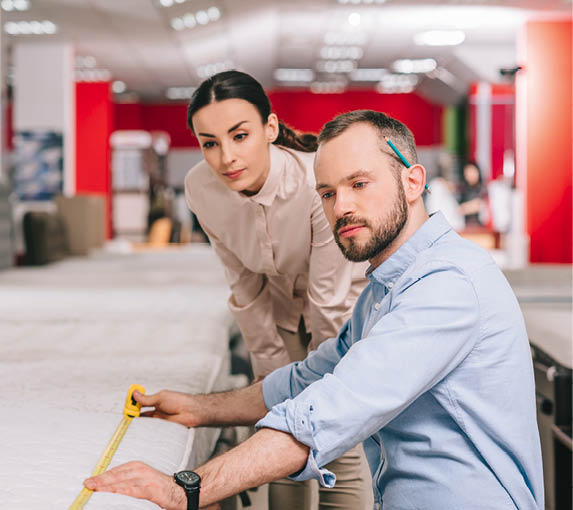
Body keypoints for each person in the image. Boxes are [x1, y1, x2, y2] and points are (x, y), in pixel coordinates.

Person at [85, 110, 544, 510]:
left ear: (412, 181)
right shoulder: (385, 291)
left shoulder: (446, 286)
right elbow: (306, 379)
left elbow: (328, 410)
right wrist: (201, 409)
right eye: (326, 193)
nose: (342, 207)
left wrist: (187, 487)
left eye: (359, 184)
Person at [135, 70, 371, 509]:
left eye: (239, 135)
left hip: (343, 310)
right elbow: (243, 284)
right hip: (280, 308)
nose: (226, 157)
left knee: (336, 435)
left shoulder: (313, 180)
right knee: (278, 430)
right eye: (210, 143)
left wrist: (325, 380)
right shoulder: (200, 189)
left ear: (270, 128)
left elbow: (328, 297)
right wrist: (270, 374)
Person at [458, 160, 488, 226]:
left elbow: (478, 205)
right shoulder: (464, 190)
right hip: (466, 227)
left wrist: (462, 209)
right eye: (467, 173)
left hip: (481, 227)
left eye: (472, 172)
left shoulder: (483, 188)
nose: (470, 175)